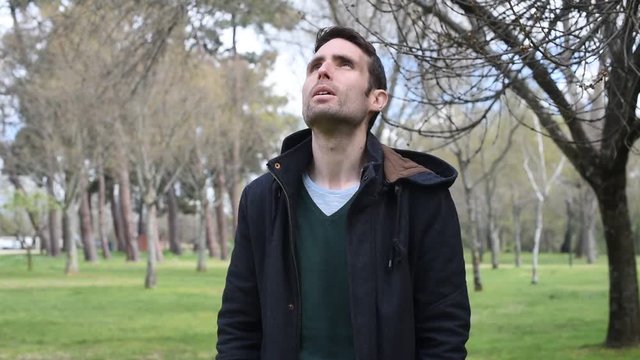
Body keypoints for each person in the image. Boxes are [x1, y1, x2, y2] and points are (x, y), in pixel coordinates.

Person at [216, 26, 470, 360]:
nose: (323, 70)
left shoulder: (420, 197)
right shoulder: (263, 199)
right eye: (315, 65)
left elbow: (444, 330)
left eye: (344, 64)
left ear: (376, 99)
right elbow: (239, 325)